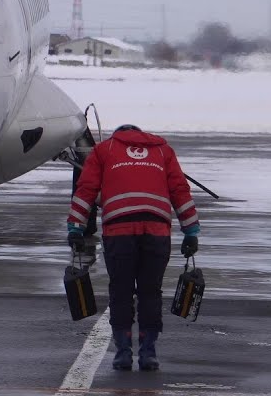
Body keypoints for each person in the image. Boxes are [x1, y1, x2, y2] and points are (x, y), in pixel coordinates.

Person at [66, 124, 200, 372]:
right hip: (156, 231)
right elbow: (180, 190)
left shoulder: (104, 150)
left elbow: (86, 190)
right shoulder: (162, 152)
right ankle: (149, 353)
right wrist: (191, 231)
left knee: (121, 290)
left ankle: (123, 354)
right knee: (151, 291)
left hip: (119, 231)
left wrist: (75, 227)